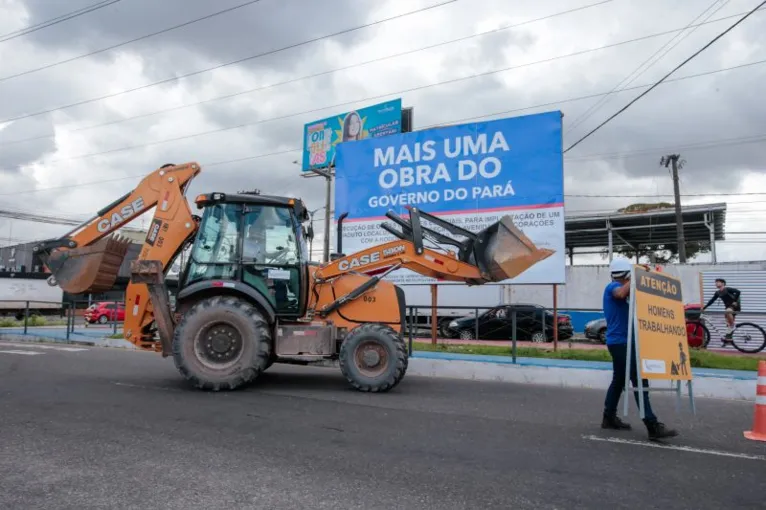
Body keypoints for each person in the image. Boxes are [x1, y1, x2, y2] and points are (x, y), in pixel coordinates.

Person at [601, 257, 678, 440]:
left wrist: (653, 275)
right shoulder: (612, 287)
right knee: (639, 381)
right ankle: (652, 425)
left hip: (628, 342)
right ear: (626, 274)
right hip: (620, 343)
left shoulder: (631, 290)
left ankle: (608, 417)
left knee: (619, 381)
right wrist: (636, 275)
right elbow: (620, 293)